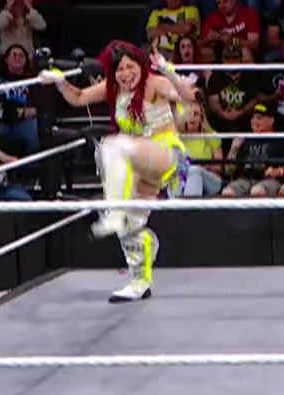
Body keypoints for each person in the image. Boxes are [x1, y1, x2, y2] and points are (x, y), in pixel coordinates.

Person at [42, 41, 196, 302]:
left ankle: (114, 212)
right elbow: (78, 97)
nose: (126, 74)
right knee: (131, 223)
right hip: (137, 163)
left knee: (114, 145)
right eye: (120, 69)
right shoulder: (112, 89)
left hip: (165, 155)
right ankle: (139, 282)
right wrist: (59, 82)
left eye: (130, 67)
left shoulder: (154, 83)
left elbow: (187, 96)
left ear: (141, 66)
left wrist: (168, 70)